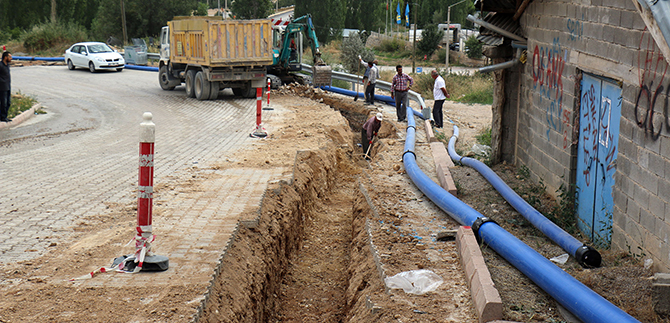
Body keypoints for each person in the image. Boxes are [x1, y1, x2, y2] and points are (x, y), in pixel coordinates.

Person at [0, 51, 11, 123]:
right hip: (2, 87)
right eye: (10, 57)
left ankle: (5, 116)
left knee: (8, 103)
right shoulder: (0, 65)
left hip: (8, 86)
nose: (11, 58)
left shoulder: (7, 65)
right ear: (5, 57)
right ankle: (2, 117)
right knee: (3, 103)